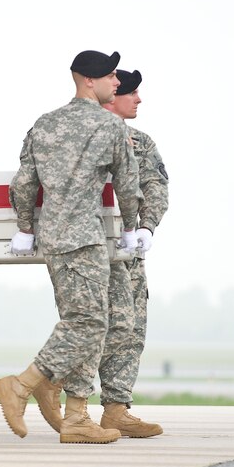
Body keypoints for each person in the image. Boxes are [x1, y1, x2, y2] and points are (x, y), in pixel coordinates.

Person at [0, 50, 141, 444]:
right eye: (111, 77)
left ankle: (78, 414)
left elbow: (23, 183)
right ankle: (24, 384)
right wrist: (132, 227)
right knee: (90, 321)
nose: (117, 83)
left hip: (55, 238)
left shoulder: (45, 124)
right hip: (85, 237)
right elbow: (128, 184)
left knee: (90, 321)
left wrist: (26, 228)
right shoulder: (108, 126)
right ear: (90, 81)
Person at [97, 69, 169, 437]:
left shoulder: (140, 141)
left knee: (133, 327)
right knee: (100, 325)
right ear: (111, 96)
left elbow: (155, 185)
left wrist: (146, 226)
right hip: (93, 248)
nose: (138, 100)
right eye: (132, 93)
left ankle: (116, 408)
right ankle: (52, 385)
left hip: (130, 252)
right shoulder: (85, 135)